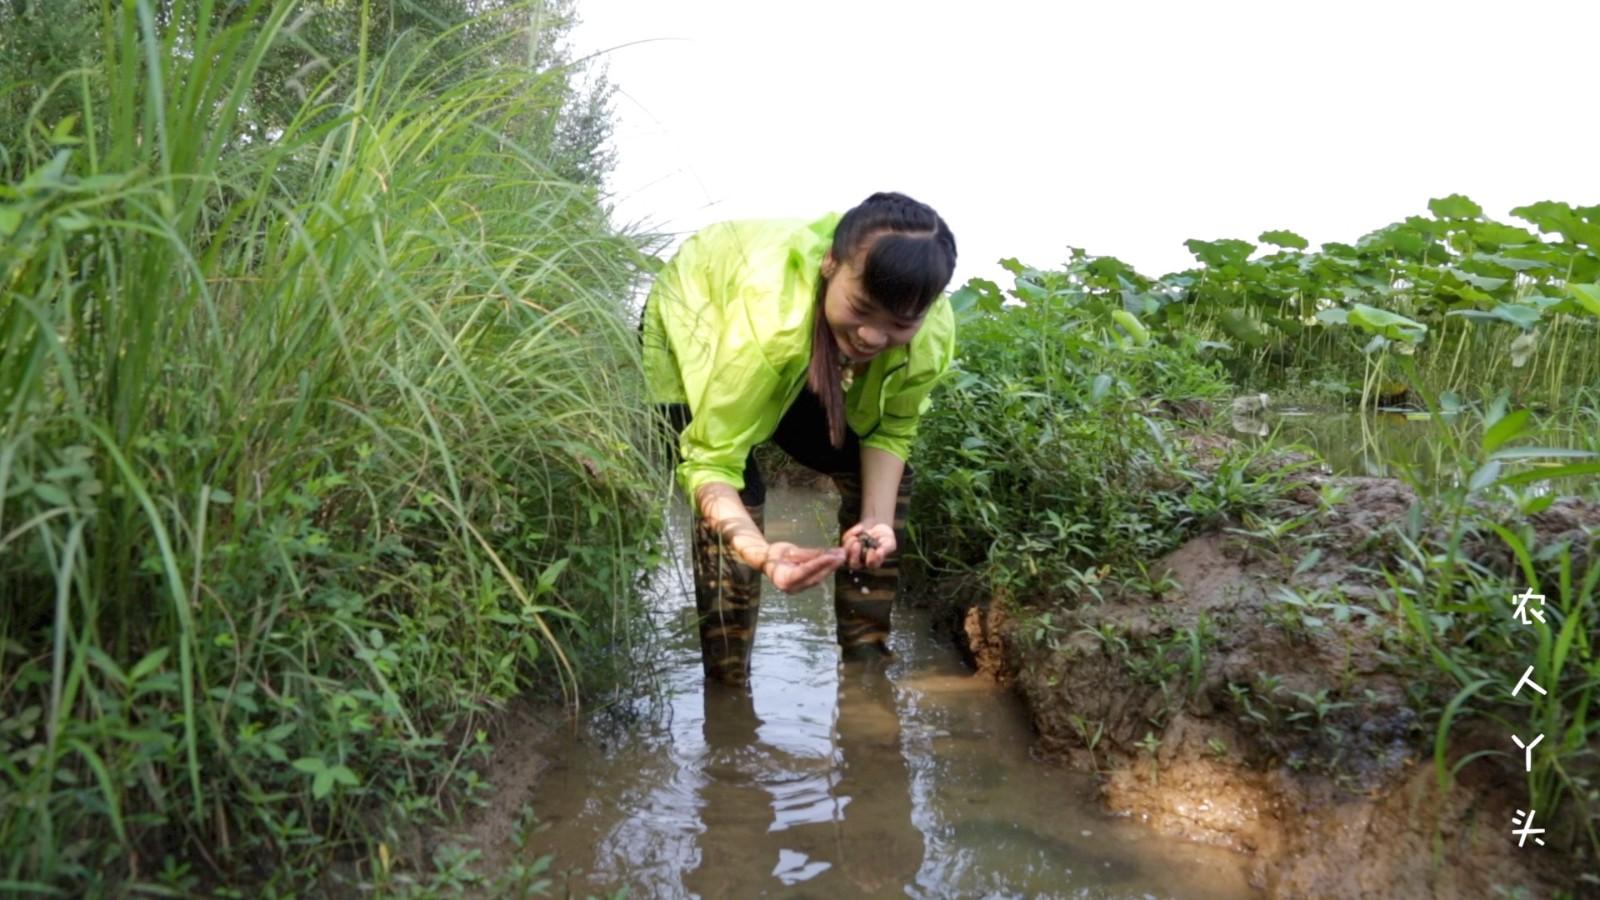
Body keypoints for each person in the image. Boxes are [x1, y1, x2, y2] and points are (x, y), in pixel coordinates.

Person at [641, 191, 958, 685]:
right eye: (863, 308)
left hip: (802, 334)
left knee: (879, 486)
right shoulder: (766, 323)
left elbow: (890, 431)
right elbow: (710, 465)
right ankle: (728, 688)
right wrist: (761, 551)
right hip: (700, 310)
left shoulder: (928, 335)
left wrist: (876, 521)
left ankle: (866, 670)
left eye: (898, 323)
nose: (873, 338)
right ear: (830, 264)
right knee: (740, 496)